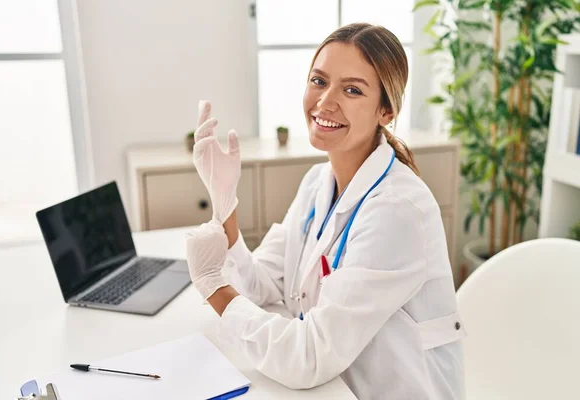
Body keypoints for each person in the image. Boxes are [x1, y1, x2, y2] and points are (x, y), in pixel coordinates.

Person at [185, 23, 466, 399]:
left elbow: (309, 357)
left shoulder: (398, 211)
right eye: (319, 81)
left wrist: (212, 286)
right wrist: (225, 203)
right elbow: (265, 287)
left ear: (386, 110)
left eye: (352, 90)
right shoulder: (318, 182)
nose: (326, 101)